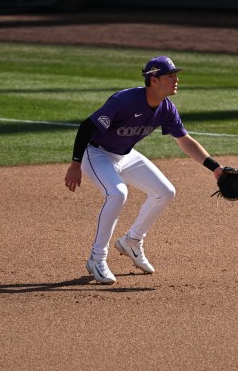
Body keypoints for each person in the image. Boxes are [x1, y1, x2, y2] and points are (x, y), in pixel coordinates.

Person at [64, 56, 224, 284]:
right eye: (170, 75)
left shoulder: (166, 108)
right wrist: (75, 164)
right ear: (154, 80)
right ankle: (97, 258)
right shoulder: (124, 101)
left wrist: (215, 168)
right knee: (117, 194)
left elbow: (185, 141)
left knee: (165, 191)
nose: (176, 79)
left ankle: (131, 240)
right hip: (97, 154)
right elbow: (87, 126)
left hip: (125, 155)